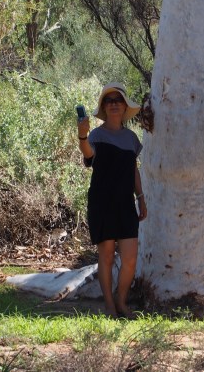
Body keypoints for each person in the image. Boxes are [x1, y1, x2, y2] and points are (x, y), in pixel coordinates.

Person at [77, 82, 147, 318]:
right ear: (104, 107)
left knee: (130, 258)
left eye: (118, 100)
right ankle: (109, 305)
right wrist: (82, 134)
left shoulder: (131, 138)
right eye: (109, 100)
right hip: (102, 202)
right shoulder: (96, 135)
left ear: (125, 106)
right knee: (106, 255)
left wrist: (141, 198)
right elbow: (88, 155)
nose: (114, 104)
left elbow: (133, 170)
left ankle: (121, 301)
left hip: (126, 204)